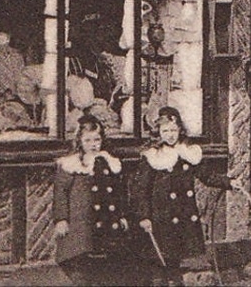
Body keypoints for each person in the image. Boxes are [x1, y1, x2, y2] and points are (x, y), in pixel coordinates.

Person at [131, 106, 232, 285]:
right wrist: (144, 216)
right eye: (165, 131)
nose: (170, 135)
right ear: (158, 132)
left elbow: (206, 175)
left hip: (183, 213)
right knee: (160, 258)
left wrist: (229, 183)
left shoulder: (187, 153)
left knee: (176, 258)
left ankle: (175, 282)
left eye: (173, 130)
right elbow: (141, 190)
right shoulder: (153, 156)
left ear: (180, 130)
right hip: (161, 216)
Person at [52, 115, 132, 286]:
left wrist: (122, 215)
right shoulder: (71, 163)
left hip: (105, 218)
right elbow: (61, 192)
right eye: (87, 140)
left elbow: (117, 191)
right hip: (79, 221)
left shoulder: (108, 162)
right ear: (79, 141)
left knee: (105, 261)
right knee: (80, 258)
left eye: (97, 139)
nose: (93, 144)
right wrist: (61, 219)